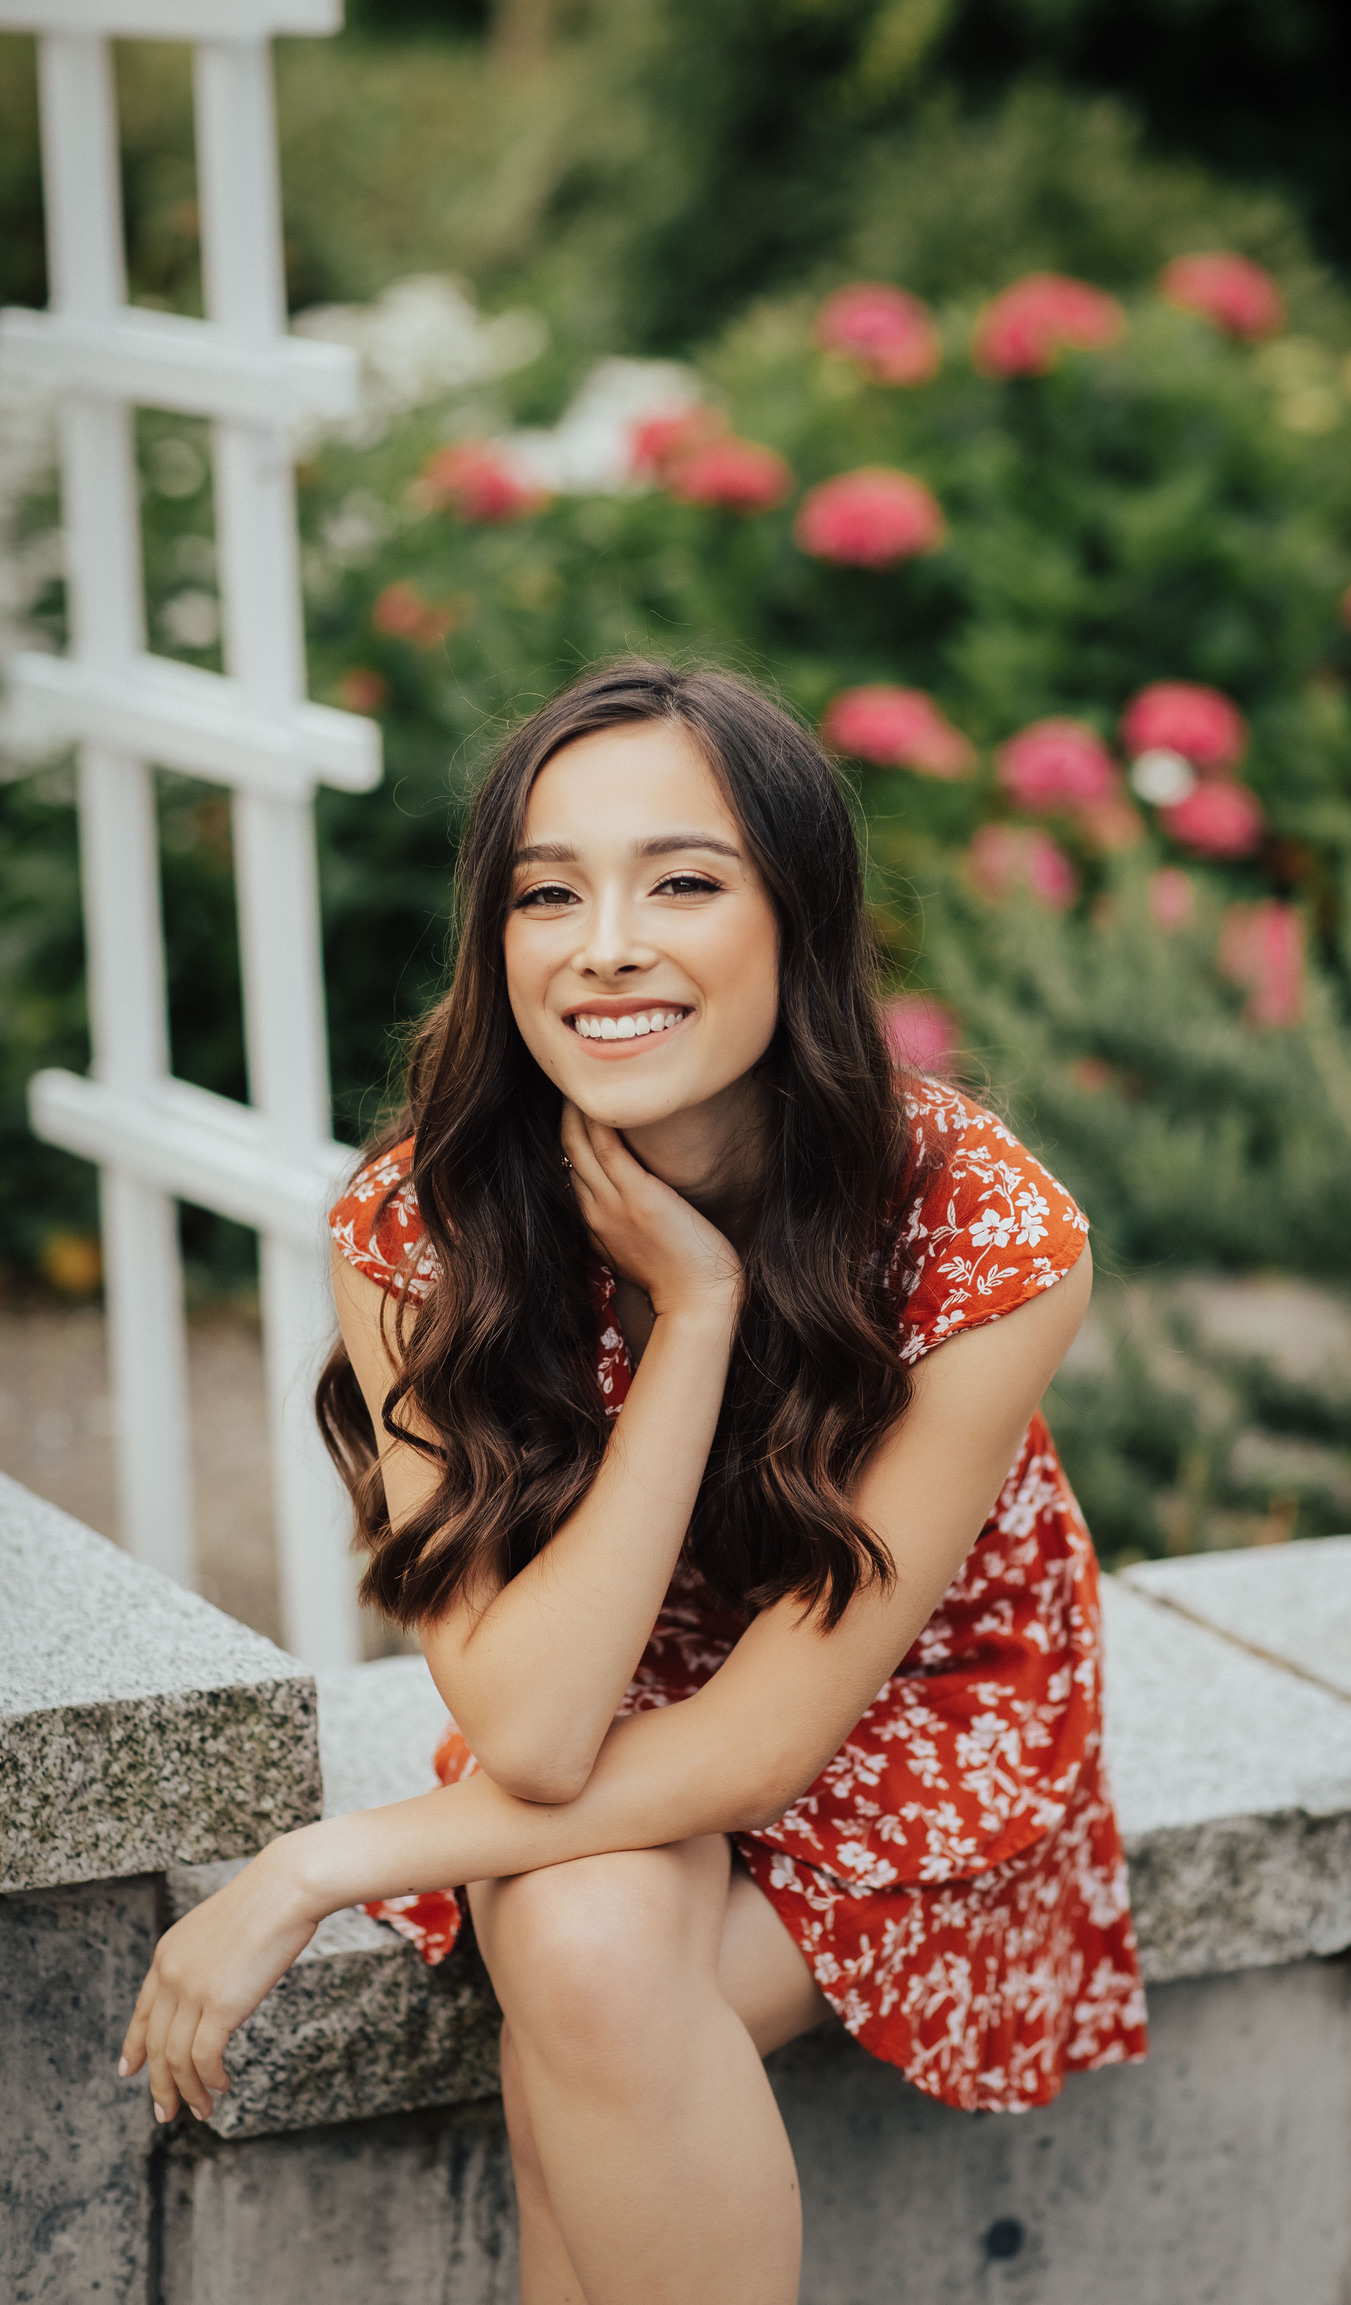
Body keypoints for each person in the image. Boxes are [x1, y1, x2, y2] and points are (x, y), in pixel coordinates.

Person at [118, 659, 1146, 2304]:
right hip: (600, 1716)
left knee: (581, 1976)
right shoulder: (419, 1230)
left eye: (681, 882)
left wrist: (316, 1861)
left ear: (797, 920)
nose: (604, 944)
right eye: (548, 893)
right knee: (588, 1947)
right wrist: (692, 1321)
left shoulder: (978, 1224)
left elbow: (766, 1742)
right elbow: (533, 1731)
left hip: (910, 1731)